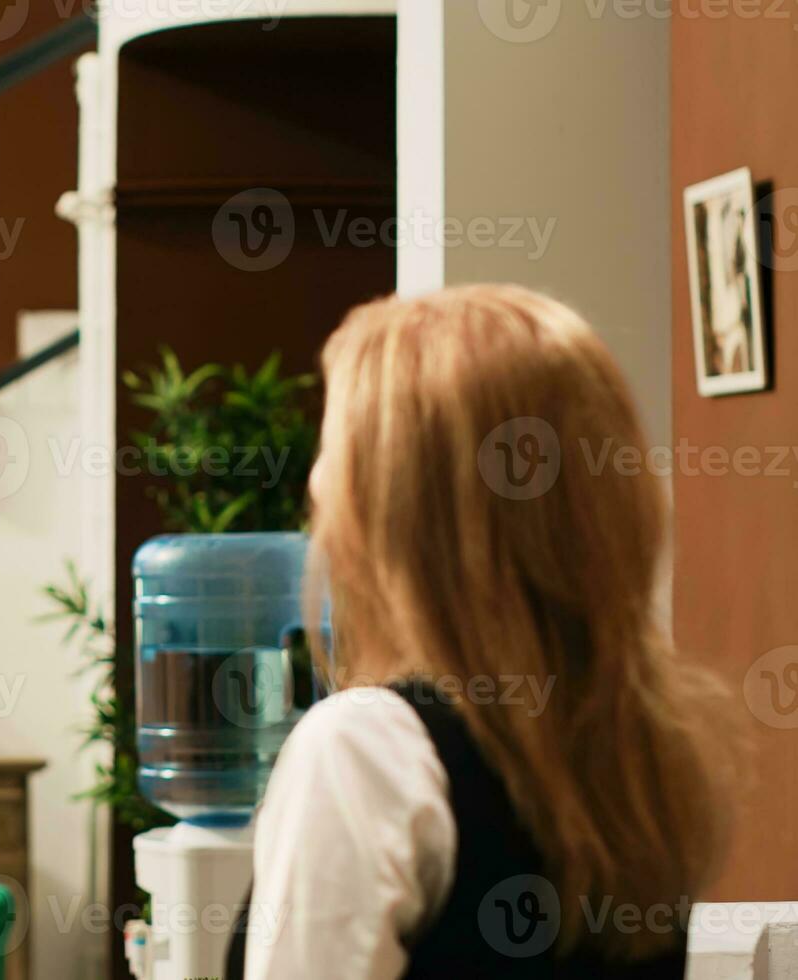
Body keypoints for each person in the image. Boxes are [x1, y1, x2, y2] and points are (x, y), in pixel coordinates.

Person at [235, 284, 736, 978]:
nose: (316, 483)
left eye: (335, 444)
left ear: (398, 510)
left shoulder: (364, 753)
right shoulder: (645, 757)